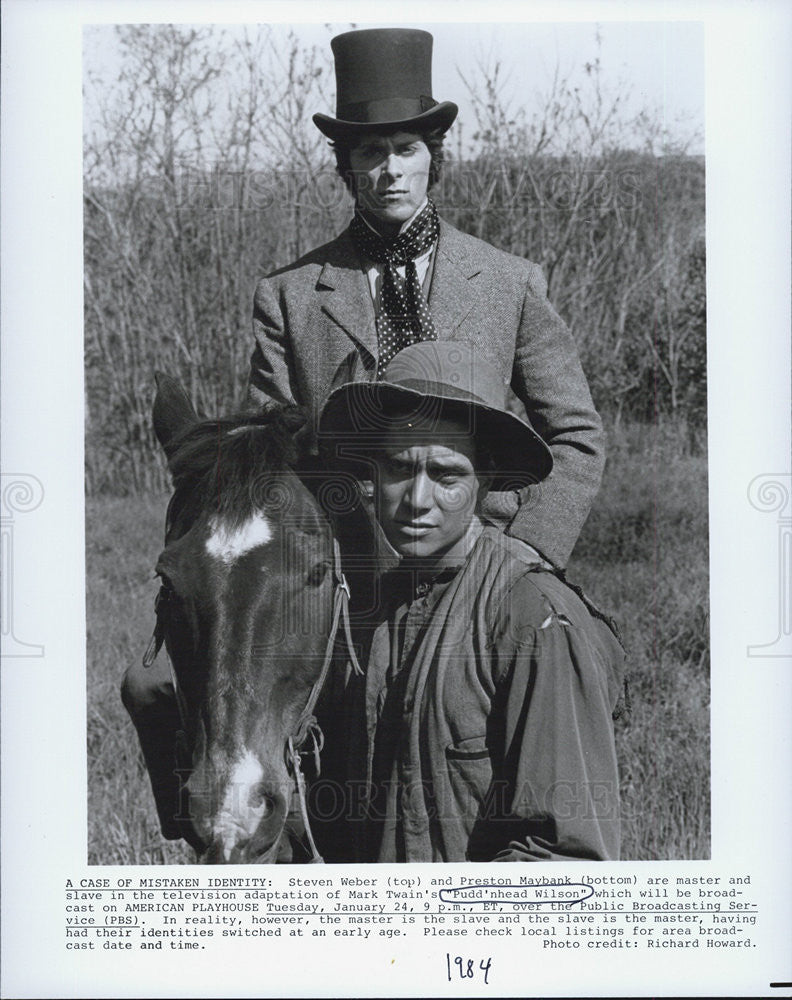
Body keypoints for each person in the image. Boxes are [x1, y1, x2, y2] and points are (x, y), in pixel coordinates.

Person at [249, 27, 604, 571]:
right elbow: (268, 450)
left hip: (481, 560)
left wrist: (527, 549)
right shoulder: (289, 295)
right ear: (347, 166)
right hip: (340, 573)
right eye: (370, 151)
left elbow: (576, 435)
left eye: (406, 149)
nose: (390, 170)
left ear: (431, 159)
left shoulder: (510, 282)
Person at [313, 342, 625, 862]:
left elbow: (568, 858)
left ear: (485, 482)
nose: (416, 499)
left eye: (446, 475)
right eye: (398, 468)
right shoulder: (375, 613)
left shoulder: (531, 617)